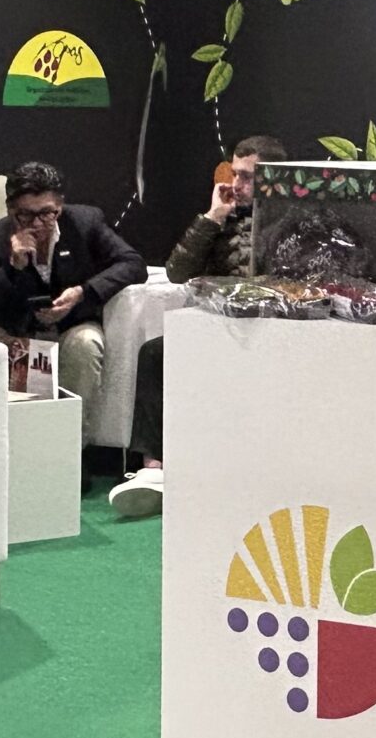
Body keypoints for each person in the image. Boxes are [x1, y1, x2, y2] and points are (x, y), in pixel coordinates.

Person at [116, 136, 287, 519]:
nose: (236, 185)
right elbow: (178, 272)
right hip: (218, 330)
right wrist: (212, 218)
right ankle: (153, 469)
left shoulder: (293, 222)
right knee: (155, 353)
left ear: (274, 179)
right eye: (234, 174)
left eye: (247, 177)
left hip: (278, 331)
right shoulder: (221, 220)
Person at [0, 162, 144, 465]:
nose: (37, 224)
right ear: (11, 210)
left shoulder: (85, 222)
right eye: (26, 215)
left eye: (47, 214)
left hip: (69, 331)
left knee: (86, 342)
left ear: (60, 206)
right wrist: (11, 268)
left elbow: (132, 264)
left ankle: (71, 453)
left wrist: (83, 293)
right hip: (18, 337)